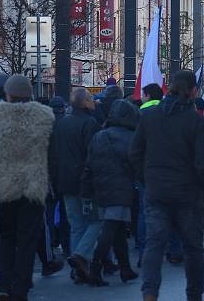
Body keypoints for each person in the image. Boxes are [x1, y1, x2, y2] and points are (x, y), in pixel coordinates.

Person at [130, 70, 204, 301]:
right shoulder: (196, 121)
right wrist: (201, 185)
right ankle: (194, 295)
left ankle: (149, 294)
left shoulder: (149, 117)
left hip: (156, 191)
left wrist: (147, 177)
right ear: (194, 91)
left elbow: (134, 153)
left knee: (154, 245)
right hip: (187, 193)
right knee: (192, 247)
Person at [0, 74, 54, 301]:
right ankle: (21, 287)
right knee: (27, 240)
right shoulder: (44, 117)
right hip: (33, 185)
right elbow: (51, 152)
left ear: (8, 94)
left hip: (3, 186)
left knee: (6, 237)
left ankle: (3, 283)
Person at [82, 100, 140, 286]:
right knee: (111, 227)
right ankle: (95, 268)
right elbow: (136, 162)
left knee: (117, 229)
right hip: (122, 188)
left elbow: (89, 164)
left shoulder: (100, 136)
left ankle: (125, 268)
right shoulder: (131, 137)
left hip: (101, 187)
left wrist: (87, 189)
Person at [51, 88, 102, 283]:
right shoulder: (90, 124)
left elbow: (55, 154)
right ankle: (81, 256)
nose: (94, 102)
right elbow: (93, 156)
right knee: (96, 221)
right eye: (91, 99)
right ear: (86, 103)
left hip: (65, 181)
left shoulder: (62, 123)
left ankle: (78, 269)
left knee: (76, 225)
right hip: (85, 182)